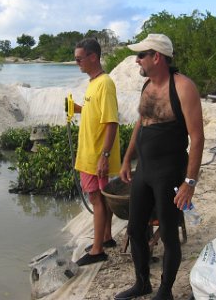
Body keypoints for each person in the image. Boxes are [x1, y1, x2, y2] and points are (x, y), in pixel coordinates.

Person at [114, 34, 204, 300]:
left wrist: (190, 183)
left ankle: (165, 291)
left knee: (168, 234)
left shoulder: (183, 88)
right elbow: (141, 124)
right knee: (135, 230)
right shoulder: (147, 87)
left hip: (169, 173)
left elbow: (197, 138)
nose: (136, 60)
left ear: (157, 57)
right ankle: (143, 283)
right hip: (144, 171)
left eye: (141, 55)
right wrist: (127, 159)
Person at [73, 38, 121, 266]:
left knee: (96, 199)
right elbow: (97, 113)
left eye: (79, 59)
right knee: (101, 199)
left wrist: (104, 156)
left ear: (93, 57)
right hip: (89, 153)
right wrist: (78, 109)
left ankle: (97, 250)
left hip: (95, 156)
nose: (77, 63)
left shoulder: (105, 83)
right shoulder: (93, 83)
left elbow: (111, 122)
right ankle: (106, 237)